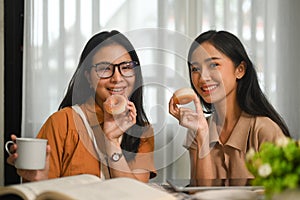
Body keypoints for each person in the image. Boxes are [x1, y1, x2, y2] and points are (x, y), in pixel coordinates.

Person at [7, 30, 156, 183]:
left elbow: (136, 195)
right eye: (104, 69)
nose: (117, 78)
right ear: (88, 78)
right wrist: (39, 179)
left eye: (126, 67)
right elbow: (40, 191)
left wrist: (112, 143)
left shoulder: (142, 131)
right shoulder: (62, 123)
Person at [169, 30, 290, 185]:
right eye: (195, 69)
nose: (203, 77)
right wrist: (202, 134)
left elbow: (284, 193)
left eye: (214, 65)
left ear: (240, 70)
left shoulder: (264, 129)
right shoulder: (197, 128)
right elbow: (199, 192)